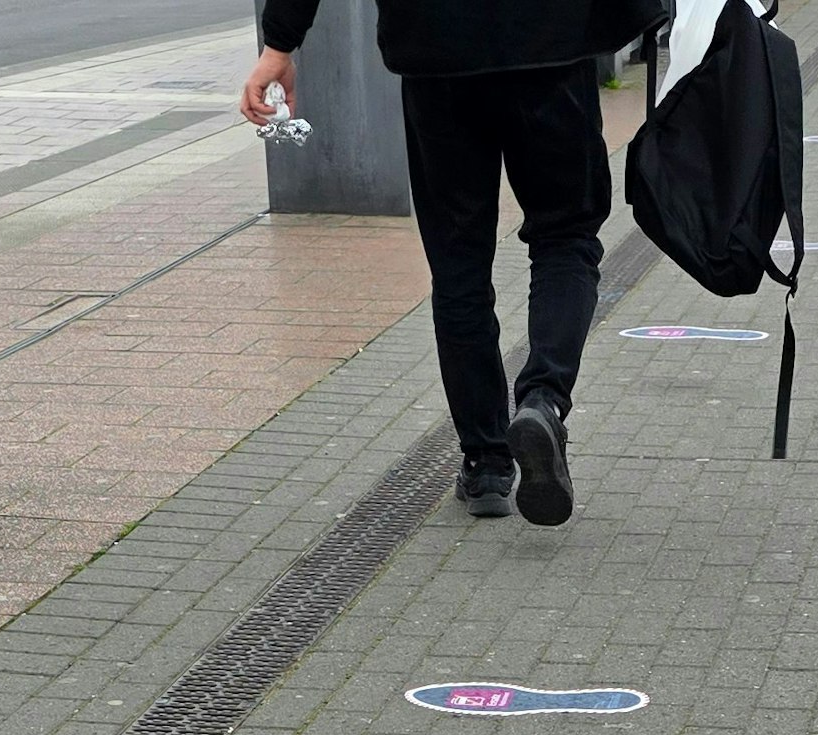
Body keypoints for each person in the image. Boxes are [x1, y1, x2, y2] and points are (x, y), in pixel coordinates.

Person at [244, 0, 663, 526]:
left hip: (436, 53)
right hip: (552, 45)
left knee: (459, 263)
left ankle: (486, 463)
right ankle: (543, 402)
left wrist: (280, 44)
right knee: (565, 238)